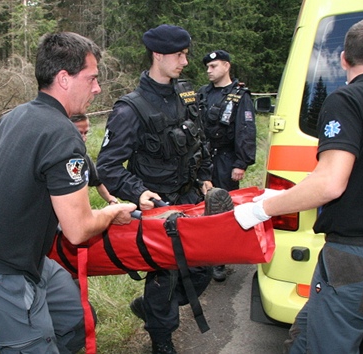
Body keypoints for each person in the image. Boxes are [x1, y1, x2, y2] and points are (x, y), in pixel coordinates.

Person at [234, 17, 363, 354]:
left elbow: (330, 182)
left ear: (344, 58)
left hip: (355, 257)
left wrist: (260, 209)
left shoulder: (347, 100)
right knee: (304, 336)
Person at [0, 32, 137, 353]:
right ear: (64, 79)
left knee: (74, 320)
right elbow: (78, 229)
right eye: (92, 78)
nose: (97, 89)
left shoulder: (14, 115)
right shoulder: (63, 133)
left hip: (27, 261)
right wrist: (112, 211)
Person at [96, 24, 230, 354]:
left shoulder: (186, 94)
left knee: (199, 273)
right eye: (180, 55)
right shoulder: (130, 109)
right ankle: (161, 338)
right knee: (166, 277)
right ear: (159, 55)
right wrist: (137, 191)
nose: (186, 61)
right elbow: (108, 168)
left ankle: (153, 309)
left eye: (186, 54)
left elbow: (199, 143)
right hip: (158, 210)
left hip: (190, 201)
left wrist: (205, 177)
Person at [198, 50, 256, 282]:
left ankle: (219, 261)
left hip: (226, 159)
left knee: (222, 210)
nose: (209, 71)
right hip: (202, 159)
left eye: (213, 66)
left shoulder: (240, 95)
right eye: (207, 67)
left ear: (226, 66)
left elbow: (245, 130)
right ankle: (200, 256)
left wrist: (241, 162)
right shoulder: (202, 94)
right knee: (200, 207)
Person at [70, 114, 118, 205]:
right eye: (79, 133)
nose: (84, 139)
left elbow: (98, 182)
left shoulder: (83, 157)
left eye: (86, 133)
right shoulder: (57, 159)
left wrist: (111, 200)